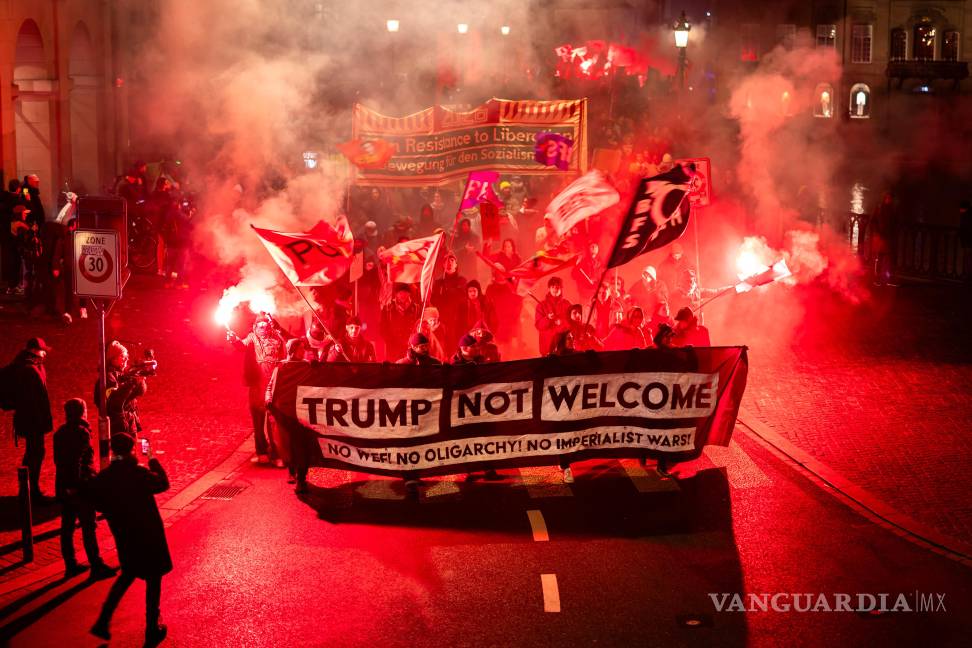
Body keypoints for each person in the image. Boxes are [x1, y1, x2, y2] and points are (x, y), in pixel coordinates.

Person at [89, 433, 171, 645]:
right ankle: (151, 626)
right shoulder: (139, 473)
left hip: (124, 535)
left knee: (127, 575)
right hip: (147, 534)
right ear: (131, 450)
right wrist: (151, 458)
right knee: (153, 580)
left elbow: (96, 502)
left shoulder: (105, 478)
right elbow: (163, 484)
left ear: (114, 451)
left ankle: (104, 619)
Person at [54, 398, 116, 580]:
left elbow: (59, 461)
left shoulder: (60, 433)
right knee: (88, 526)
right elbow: (76, 461)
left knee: (67, 527)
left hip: (64, 485)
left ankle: (71, 564)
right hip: (80, 487)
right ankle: (96, 565)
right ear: (82, 412)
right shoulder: (82, 433)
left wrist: (66, 486)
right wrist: (76, 485)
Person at [228, 315, 287, 465]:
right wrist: (234, 339)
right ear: (255, 326)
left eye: (264, 325)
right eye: (259, 325)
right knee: (258, 419)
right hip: (257, 384)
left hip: (273, 383)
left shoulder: (278, 338)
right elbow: (241, 346)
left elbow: (285, 356)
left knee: (274, 420)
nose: (262, 328)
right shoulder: (252, 338)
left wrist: (281, 373)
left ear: (269, 326)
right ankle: (262, 452)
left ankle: (277, 455)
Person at [2, 338, 55, 502]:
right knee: (35, 453)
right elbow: (31, 399)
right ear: (33, 350)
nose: (45, 353)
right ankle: (32, 492)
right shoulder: (28, 370)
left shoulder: (31, 366)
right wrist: (41, 420)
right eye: (42, 350)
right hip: (32, 420)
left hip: (31, 419)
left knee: (34, 452)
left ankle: (28, 490)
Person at [266, 339, 313, 492]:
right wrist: (268, 399)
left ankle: (301, 479)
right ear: (292, 350)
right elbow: (270, 386)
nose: (303, 351)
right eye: (300, 349)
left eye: (303, 348)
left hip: (302, 413)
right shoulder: (281, 367)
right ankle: (292, 471)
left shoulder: (307, 366)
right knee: (289, 446)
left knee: (302, 446)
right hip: (285, 413)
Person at [95, 341, 148, 440]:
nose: (127, 359)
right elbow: (115, 401)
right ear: (113, 359)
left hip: (127, 423)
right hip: (119, 426)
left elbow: (138, 393)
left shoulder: (121, 375)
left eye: (127, 356)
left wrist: (140, 379)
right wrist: (133, 382)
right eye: (123, 356)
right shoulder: (108, 378)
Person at [546, 330, 577, 483]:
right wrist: (548, 363)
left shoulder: (577, 356)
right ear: (561, 341)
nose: (572, 340)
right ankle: (566, 467)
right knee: (563, 433)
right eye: (568, 338)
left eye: (572, 338)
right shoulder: (553, 358)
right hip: (559, 402)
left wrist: (591, 357)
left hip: (575, 401)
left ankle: (564, 461)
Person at [432, 253, 467, 346]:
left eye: (452, 260)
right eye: (446, 261)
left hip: (458, 322)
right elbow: (434, 301)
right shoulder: (438, 283)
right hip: (443, 322)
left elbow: (462, 298)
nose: (449, 263)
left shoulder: (462, 281)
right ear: (443, 265)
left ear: (456, 264)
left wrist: (447, 291)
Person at [380, 283, 420, 362]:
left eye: (405, 293)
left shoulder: (417, 309)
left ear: (409, 294)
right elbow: (382, 327)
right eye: (400, 293)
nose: (403, 295)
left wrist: (414, 341)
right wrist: (390, 340)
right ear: (396, 294)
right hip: (393, 347)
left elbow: (419, 326)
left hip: (411, 346)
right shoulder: (387, 308)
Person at [534, 277, 571, 356]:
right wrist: (548, 318)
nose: (555, 289)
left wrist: (561, 322)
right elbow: (539, 326)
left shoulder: (567, 304)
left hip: (563, 348)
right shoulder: (541, 306)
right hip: (547, 348)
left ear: (561, 288)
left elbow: (572, 323)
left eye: (557, 287)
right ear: (549, 288)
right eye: (552, 287)